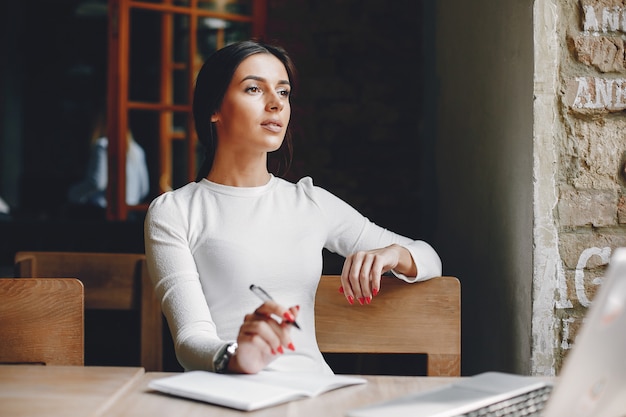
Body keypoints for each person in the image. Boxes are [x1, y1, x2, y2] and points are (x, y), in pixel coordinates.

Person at [144, 40, 442, 375]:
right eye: (254, 89)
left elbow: (430, 259)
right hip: (226, 394)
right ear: (214, 108)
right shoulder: (174, 211)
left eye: (283, 92)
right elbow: (189, 339)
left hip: (314, 393)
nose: (275, 104)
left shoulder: (310, 203)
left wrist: (392, 254)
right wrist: (236, 357)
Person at [67, 110, 150, 212]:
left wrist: (72, 193)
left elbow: (98, 182)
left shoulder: (102, 145)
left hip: (103, 211)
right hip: (130, 211)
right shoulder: (137, 150)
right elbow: (144, 189)